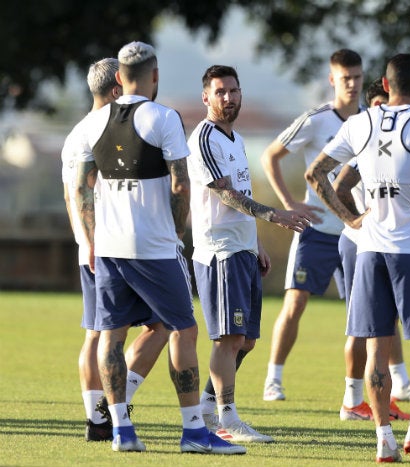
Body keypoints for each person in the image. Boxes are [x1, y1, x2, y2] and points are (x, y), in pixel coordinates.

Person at [75, 41, 244, 455]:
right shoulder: (164, 118)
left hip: (110, 248)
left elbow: (82, 188)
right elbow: (180, 184)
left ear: (119, 78)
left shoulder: (90, 125)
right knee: (183, 329)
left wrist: (93, 238)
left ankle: (120, 430)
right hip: (155, 247)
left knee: (110, 336)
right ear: (155, 76)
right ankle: (192, 432)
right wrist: (176, 232)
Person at [306, 53, 410, 464]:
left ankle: (384, 439)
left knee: (378, 347)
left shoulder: (360, 122)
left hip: (369, 250)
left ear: (383, 82)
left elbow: (316, 173)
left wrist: (350, 219)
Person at [187, 65, 309, 443]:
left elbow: (240, 193)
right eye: (220, 91)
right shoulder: (204, 138)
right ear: (206, 96)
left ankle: (209, 406)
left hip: (241, 248)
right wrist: (274, 216)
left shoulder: (235, 140)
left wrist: (255, 243)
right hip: (220, 250)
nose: (228, 98)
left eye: (234, 91)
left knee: (246, 340)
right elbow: (225, 194)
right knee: (228, 338)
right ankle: (226, 419)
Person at [61, 58, 169, 442]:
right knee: (151, 326)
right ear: (114, 90)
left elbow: (69, 193)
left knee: (102, 333)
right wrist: (91, 241)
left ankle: (100, 418)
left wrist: (83, 239)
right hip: (108, 248)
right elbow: (84, 188)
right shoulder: (98, 132)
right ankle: (105, 412)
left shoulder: (77, 133)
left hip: (97, 246)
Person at [260, 49, 364, 401]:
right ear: (332, 80)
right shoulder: (315, 120)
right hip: (317, 231)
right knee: (295, 303)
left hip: (358, 233)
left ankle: (396, 381)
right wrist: (290, 204)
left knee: (370, 309)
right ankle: (273, 378)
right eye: (344, 78)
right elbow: (270, 155)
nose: (351, 84)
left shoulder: (372, 121)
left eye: (357, 77)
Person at [334, 78, 409, 422]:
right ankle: (351, 401)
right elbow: (335, 185)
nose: (384, 111)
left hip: (384, 243)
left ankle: (383, 396)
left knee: (384, 323)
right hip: (359, 244)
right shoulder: (363, 143)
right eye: (378, 106)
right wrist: (354, 220)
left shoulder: (393, 144)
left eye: (387, 105)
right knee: (360, 325)